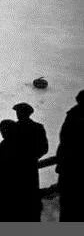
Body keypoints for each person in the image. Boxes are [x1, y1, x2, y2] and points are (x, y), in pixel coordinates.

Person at [12, 102, 48, 220]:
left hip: (16, 168)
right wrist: (33, 157)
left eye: (18, 112)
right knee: (30, 194)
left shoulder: (14, 128)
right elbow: (44, 148)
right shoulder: (38, 128)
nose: (17, 114)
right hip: (31, 167)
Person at [57, 90, 84, 221]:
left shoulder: (73, 116)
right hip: (73, 166)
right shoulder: (73, 115)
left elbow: (65, 140)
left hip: (70, 167)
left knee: (68, 205)